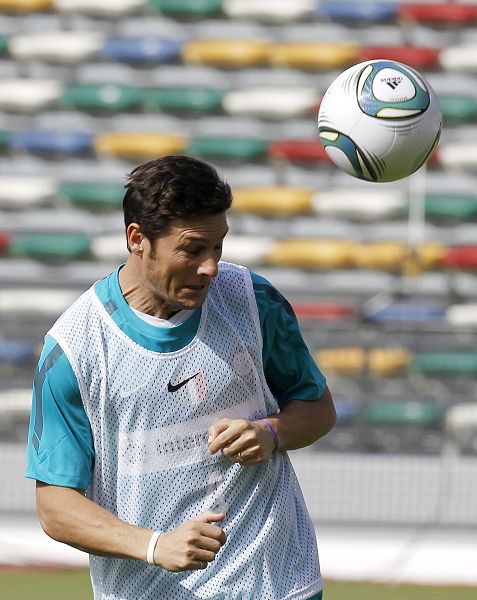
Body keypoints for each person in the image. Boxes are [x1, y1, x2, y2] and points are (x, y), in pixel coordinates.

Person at [25, 155, 336, 600]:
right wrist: (155, 546)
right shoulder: (74, 349)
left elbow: (318, 408)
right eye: (192, 250)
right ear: (138, 239)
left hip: (277, 583)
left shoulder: (254, 301)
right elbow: (56, 507)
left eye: (218, 246)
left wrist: (271, 433)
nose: (210, 267)